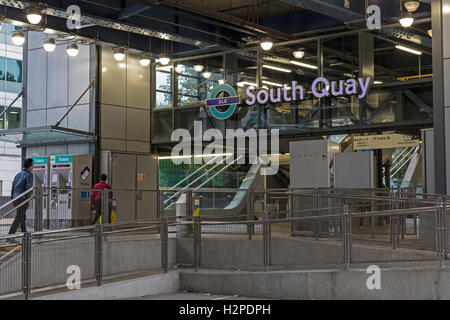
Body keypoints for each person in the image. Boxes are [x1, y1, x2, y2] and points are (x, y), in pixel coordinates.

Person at [7, 158, 34, 242]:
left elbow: (13, 187)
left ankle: (24, 233)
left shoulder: (18, 174)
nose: (33, 166)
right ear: (30, 166)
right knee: (19, 216)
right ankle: (11, 235)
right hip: (23, 198)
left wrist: (13, 199)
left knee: (22, 215)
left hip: (16, 197)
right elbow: (28, 187)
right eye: (33, 165)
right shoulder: (29, 174)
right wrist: (28, 197)